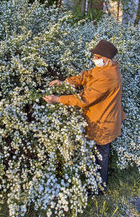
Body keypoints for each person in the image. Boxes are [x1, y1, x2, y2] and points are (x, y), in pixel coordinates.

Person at [43, 39, 126, 192]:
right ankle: (94, 182)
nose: (94, 59)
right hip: (100, 118)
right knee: (96, 152)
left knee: (101, 154)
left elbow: (84, 99)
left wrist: (57, 99)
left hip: (104, 122)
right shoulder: (107, 68)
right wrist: (65, 82)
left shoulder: (108, 77)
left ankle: (99, 188)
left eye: (96, 57)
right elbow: (87, 75)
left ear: (105, 59)